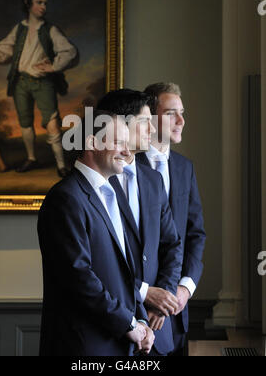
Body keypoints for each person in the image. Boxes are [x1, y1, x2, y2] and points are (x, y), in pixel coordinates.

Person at [37, 110, 155, 356]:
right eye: (119, 143)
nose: (127, 151)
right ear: (92, 143)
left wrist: (141, 320)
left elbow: (125, 271)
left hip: (119, 343)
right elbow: (78, 276)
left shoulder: (109, 194)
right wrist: (128, 323)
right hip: (84, 346)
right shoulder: (66, 198)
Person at [97, 90, 183, 356]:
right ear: (120, 125)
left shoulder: (153, 180)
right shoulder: (96, 183)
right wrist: (144, 293)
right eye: (145, 121)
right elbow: (95, 264)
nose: (153, 127)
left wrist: (163, 300)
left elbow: (173, 244)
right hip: (113, 330)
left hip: (159, 330)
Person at [0, 0, 78, 177]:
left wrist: (53, 66)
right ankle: (31, 159)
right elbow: (4, 50)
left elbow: (69, 51)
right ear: (28, 4)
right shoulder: (19, 29)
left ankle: (61, 165)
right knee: (25, 122)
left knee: (52, 122)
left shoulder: (50, 30)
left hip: (42, 82)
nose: (43, 6)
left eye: (45, 3)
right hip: (20, 82)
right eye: (39, 2)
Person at [136, 82, 206, 356]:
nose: (181, 121)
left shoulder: (184, 167)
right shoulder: (126, 165)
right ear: (150, 119)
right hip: (138, 311)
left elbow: (195, 233)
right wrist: (152, 297)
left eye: (182, 112)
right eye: (171, 113)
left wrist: (183, 290)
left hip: (177, 312)